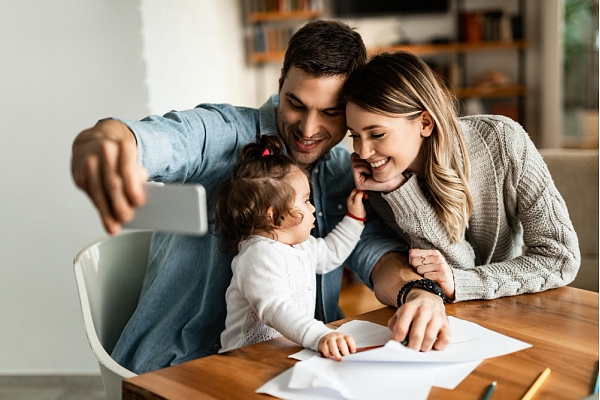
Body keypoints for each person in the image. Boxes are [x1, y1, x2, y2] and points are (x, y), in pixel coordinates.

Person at [70, 21, 450, 374]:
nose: (308, 129)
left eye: (331, 113)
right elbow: (159, 139)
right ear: (281, 81)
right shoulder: (225, 133)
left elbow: (371, 250)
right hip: (184, 364)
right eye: (296, 104)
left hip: (300, 364)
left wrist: (417, 292)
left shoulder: (342, 168)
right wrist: (107, 142)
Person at [341, 51, 580, 304]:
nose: (363, 152)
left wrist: (462, 283)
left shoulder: (503, 141)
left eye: (377, 134)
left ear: (424, 123)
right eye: (354, 135)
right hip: (455, 320)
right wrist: (401, 192)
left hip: (518, 306)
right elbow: (449, 274)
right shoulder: (380, 184)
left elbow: (561, 258)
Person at [215, 135, 366, 360]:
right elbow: (275, 307)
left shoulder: (300, 246)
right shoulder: (258, 255)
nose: (313, 208)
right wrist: (319, 335)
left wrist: (354, 218)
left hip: (283, 352)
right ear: (274, 214)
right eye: (305, 201)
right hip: (245, 359)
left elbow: (330, 254)